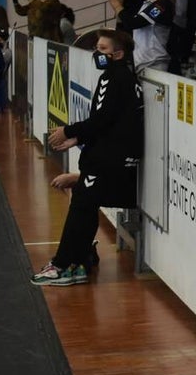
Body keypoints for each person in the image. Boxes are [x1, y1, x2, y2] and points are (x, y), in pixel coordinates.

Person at [34, 30, 143, 286]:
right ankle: (80, 258)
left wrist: (69, 131)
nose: (97, 54)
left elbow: (101, 119)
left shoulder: (113, 78)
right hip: (119, 155)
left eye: (103, 49)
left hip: (110, 157)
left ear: (118, 54)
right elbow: (112, 121)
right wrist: (79, 139)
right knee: (87, 201)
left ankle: (63, 265)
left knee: (82, 205)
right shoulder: (128, 77)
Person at [101, 0, 174, 73]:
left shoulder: (163, 4)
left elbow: (133, 23)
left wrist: (115, 2)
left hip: (155, 63)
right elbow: (126, 19)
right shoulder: (147, 3)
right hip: (142, 63)